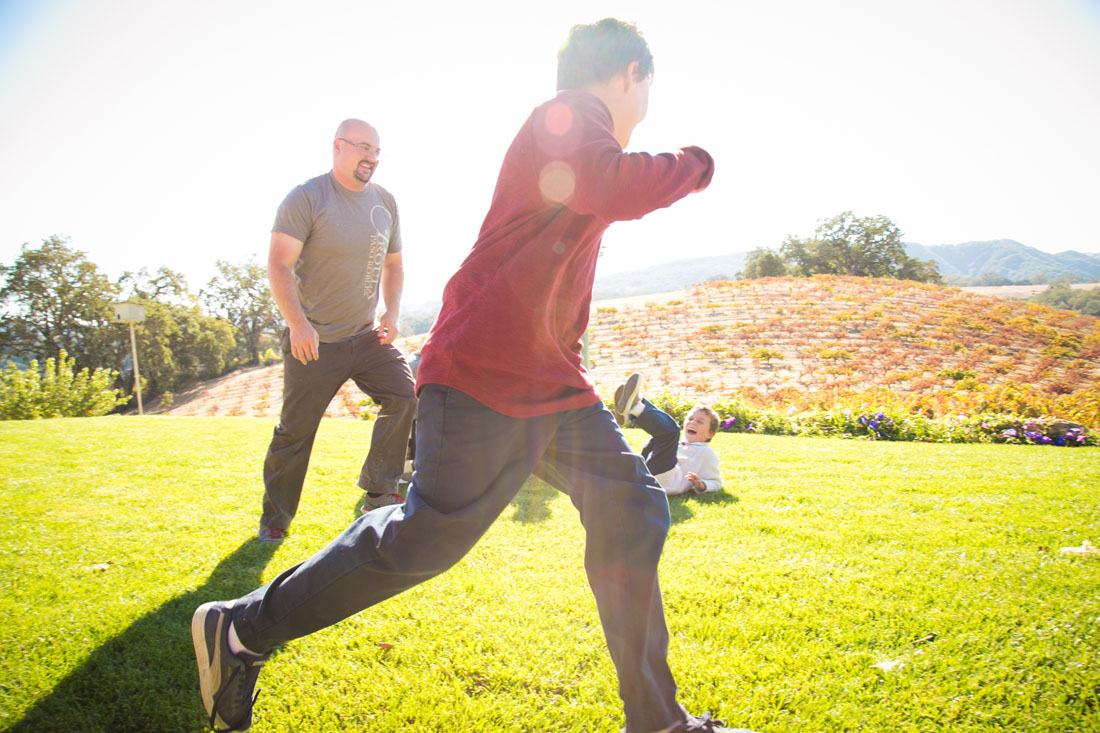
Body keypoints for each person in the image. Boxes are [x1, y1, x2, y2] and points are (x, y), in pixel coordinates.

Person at [192, 19, 755, 733]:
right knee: (428, 536)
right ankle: (239, 628)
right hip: (484, 371)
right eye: (648, 87)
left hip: (549, 381)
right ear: (627, 76)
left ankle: (657, 721)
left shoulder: (578, 133)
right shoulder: (568, 118)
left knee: (632, 506)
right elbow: (610, 184)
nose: (646, 103)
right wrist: (699, 162)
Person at [257, 119, 417, 543]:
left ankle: (380, 490)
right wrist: (298, 324)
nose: (372, 157)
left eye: (378, 151)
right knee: (295, 431)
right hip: (315, 341)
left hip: (366, 337)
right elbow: (278, 264)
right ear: (338, 148)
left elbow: (395, 264)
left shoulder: (385, 202)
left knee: (404, 396)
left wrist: (392, 313)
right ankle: (275, 517)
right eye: (364, 147)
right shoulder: (307, 198)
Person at [613, 373, 723, 496]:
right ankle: (633, 409)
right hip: (655, 474)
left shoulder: (706, 453)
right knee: (657, 438)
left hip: (669, 480)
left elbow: (717, 482)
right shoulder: (677, 445)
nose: (693, 423)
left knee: (671, 433)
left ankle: (635, 408)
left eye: (700, 422)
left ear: (710, 434)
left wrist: (702, 485)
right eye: (690, 419)